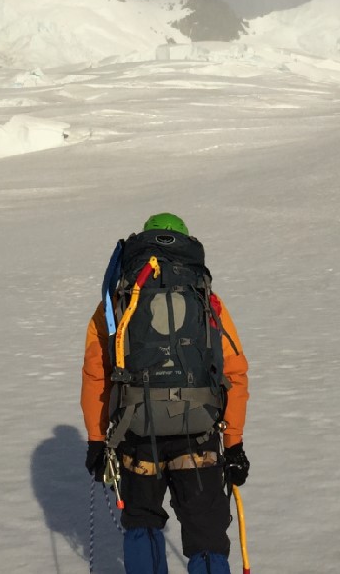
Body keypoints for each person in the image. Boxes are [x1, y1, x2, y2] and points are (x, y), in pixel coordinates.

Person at [81, 213, 250, 574]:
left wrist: (98, 440)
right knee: (206, 534)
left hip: (136, 432)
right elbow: (234, 371)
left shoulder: (116, 298)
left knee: (142, 524)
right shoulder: (205, 298)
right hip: (199, 432)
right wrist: (233, 444)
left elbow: (97, 375)